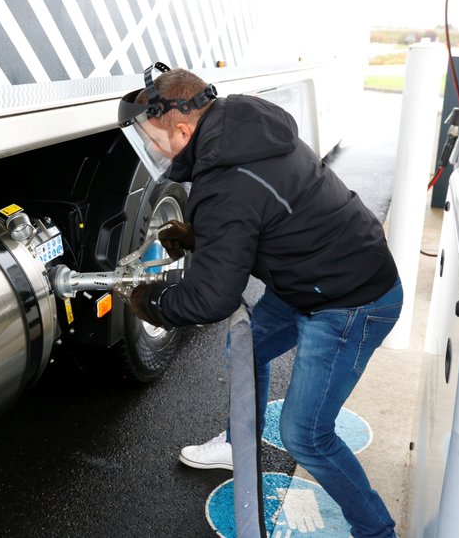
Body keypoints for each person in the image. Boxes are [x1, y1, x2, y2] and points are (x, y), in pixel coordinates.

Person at [118, 63, 402, 538]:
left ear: (184, 128)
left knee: (305, 436)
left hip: (350, 303)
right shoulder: (242, 130)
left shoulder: (226, 182)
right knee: (245, 349)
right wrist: (200, 236)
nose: (152, 148)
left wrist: (153, 302)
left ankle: (376, 531)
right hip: (310, 279)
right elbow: (263, 213)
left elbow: (211, 299)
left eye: (152, 139)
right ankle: (239, 442)